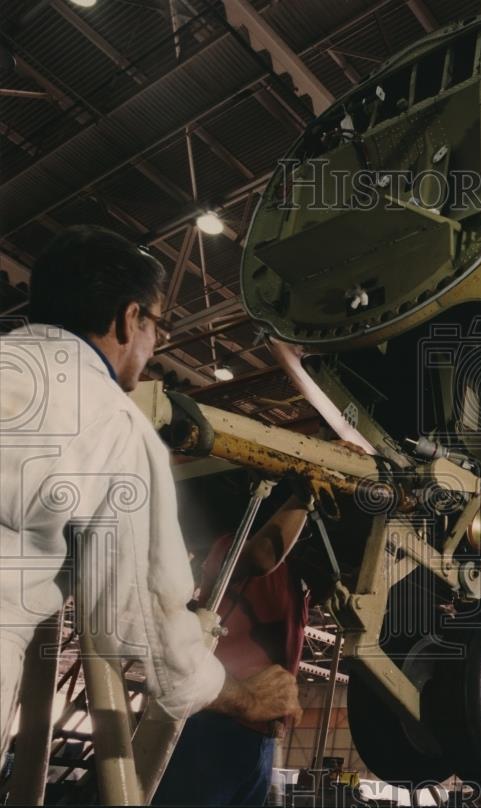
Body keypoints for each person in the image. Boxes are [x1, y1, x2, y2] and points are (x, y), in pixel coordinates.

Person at [0, 226, 300, 769]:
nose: (158, 341)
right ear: (127, 317)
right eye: (157, 323)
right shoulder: (112, 422)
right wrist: (243, 695)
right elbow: (141, 613)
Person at [154, 479, 355, 806]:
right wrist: (306, 495)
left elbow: (337, 588)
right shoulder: (233, 548)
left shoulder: (297, 585)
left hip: (260, 739)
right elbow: (263, 555)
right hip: (214, 723)